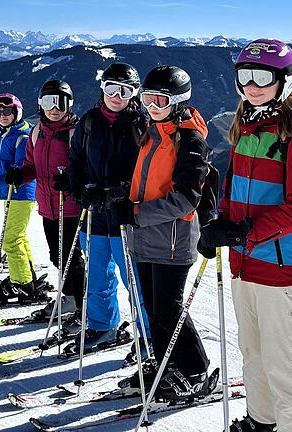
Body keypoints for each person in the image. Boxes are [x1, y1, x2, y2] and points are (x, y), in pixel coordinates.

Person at [198, 39, 292, 432]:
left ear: (285, 81)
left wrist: (243, 231)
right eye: (244, 77)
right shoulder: (245, 124)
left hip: (281, 265)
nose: (251, 86)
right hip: (244, 262)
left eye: (262, 78)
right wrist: (219, 221)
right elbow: (236, 183)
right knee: (252, 353)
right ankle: (262, 421)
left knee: (284, 361)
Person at [111, 65, 213, 401]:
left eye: (160, 100)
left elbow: (186, 198)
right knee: (151, 308)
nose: (152, 107)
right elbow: (149, 182)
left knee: (168, 310)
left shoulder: (190, 139)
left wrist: (136, 213)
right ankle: (167, 365)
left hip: (172, 239)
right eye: (147, 99)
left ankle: (195, 372)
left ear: (179, 101)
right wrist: (121, 197)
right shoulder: (152, 131)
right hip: (144, 237)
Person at [66, 63, 151, 353]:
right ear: (102, 89)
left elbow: (148, 170)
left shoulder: (142, 124)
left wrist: (118, 192)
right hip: (94, 214)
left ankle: (149, 337)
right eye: (110, 89)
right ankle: (103, 326)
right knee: (98, 273)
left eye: (124, 91)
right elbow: (76, 159)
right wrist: (78, 189)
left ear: (134, 93)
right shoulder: (89, 121)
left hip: (126, 215)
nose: (117, 96)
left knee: (135, 280)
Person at [4, 80, 85, 330]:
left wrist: (72, 179)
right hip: (48, 206)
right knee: (57, 256)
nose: (54, 108)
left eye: (59, 102)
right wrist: (20, 174)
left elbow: (87, 168)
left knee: (72, 258)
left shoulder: (77, 132)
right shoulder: (37, 132)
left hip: (71, 206)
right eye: (48, 102)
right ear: (40, 104)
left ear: (69, 104)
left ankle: (84, 308)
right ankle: (70, 298)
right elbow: (31, 166)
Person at [0, 92, 46, 304]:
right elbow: (2, 166)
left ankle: (22, 283)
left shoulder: (22, 135)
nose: (3, 115)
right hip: (10, 194)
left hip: (21, 193)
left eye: (8, 111)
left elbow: (19, 171)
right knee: (19, 237)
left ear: (17, 112)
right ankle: (28, 277)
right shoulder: (6, 134)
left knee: (11, 240)